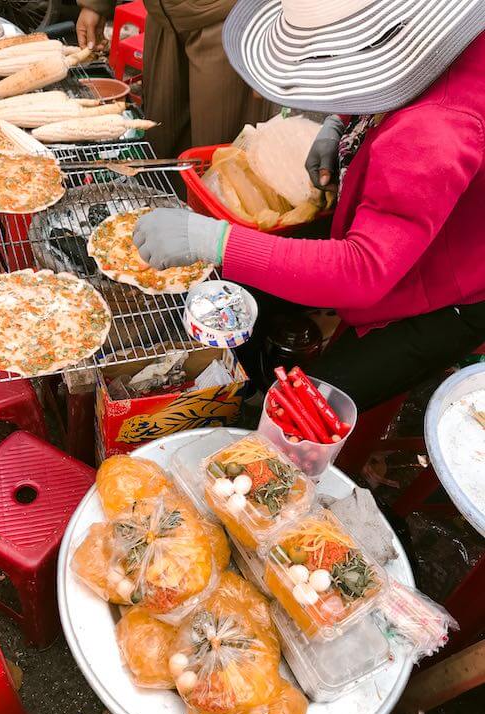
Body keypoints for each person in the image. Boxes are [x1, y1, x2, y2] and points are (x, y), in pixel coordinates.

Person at [133, 0, 485, 411]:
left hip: (452, 287)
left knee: (304, 413)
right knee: (243, 292)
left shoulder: (434, 129)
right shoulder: (434, 45)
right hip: (412, 228)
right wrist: (344, 122)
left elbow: (362, 269)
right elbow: (395, 65)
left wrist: (219, 241)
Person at [75, 0, 275, 158]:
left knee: (218, 157)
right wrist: (96, 5)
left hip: (227, 19)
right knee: (163, 141)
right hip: (162, 19)